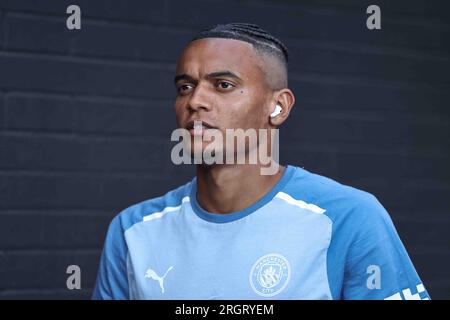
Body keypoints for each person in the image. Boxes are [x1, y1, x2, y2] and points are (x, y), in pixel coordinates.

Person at [92, 23, 430, 300]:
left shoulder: (348, 218)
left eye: (223, 85)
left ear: (278, 106)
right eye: (185, 87)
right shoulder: (132, 230)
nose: (195, 100)